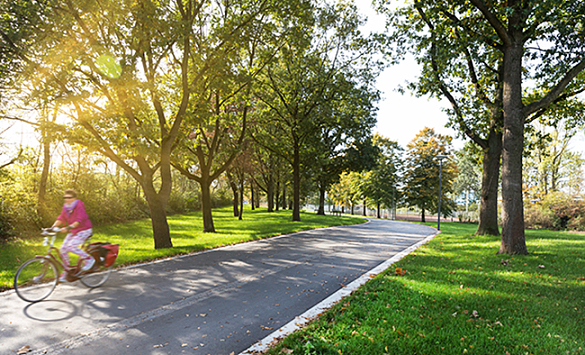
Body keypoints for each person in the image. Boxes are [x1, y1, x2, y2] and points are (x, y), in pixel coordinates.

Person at [51, 189, 94, 282]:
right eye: (65, 198)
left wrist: (67, 228)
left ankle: (89, 259)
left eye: (69, 198)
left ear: (75, 198)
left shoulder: (79, 205)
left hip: (84, 229)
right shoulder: (66, 207)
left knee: (71, 247)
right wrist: (52, 227)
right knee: (62, 249)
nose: (67, 199)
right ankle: (67, 271)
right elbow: (61, 217)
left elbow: (79, 220)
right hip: (73, 230)